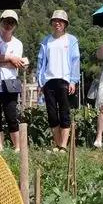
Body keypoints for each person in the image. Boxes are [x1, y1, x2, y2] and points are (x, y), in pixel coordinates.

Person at [36, 9, 80, 152]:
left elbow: (75, 61)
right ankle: (57, 144)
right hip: (49, 80)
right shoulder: (46, 41)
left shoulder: (71, 40)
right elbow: (41, 61)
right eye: (55, 21)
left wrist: (73, 80)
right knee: (52, 114)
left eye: (60, 21)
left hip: (65, 80)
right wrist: (40, 82)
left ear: (65, 24)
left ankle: (63, 146)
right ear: (51, 23)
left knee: (65, 112)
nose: (57, 23)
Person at [0, 10, 27, 152]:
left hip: (10, 83)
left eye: (12, 22)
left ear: (15, 26)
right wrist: (9, 58)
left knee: (12, 115)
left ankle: (17, 147)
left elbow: (16, 63)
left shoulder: (18, 44)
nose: (8, 25)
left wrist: (2, 59)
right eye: (6, 21)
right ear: (1, 22)